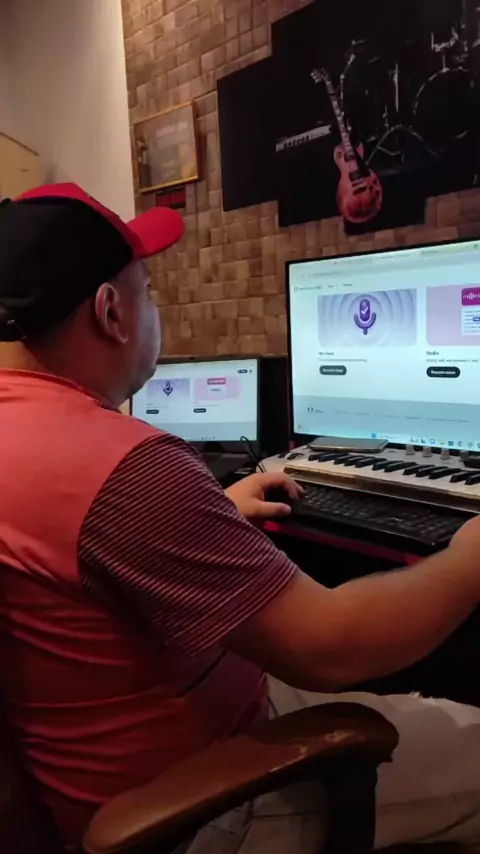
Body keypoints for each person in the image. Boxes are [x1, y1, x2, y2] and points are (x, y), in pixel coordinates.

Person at [0, 184, 480, 854]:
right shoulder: (121, 466)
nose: (154, 310)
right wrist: (470, 557)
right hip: (196, 806)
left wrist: (209, 514)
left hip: (90, 779)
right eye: (148, 291)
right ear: (110, 312)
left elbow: (73, 554)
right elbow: (332, 649)